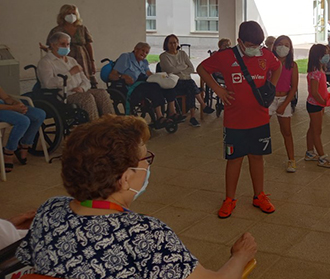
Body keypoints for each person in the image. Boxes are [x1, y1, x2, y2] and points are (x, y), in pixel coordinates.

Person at [15, 115, 258, 279]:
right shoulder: (145, 234)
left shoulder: (50, 209)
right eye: (145, 159)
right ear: (125, 178)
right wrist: (241, 256)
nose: (148, 166)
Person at [197, 21, 281, 218]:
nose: (254, 49)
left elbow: (277, 67)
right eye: (250, 46)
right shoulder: (226, 56)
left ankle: (259, 195)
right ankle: (229, 199)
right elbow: (202, 69)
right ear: (239, 42)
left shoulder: (265, 55)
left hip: (260, 118)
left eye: (257, 45)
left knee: (257, 157)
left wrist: (271, 87)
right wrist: (218, 89)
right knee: (234, 159)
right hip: (235, 121)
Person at [38, 32, 115, 121]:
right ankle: (94, 126)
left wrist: (82, 88)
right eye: (62, 44)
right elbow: (48, 84)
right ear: (53, 45)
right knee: (87, 98)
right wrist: (70, 73)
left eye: (68, 44)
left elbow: (86, 80)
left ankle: (112, 123)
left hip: (80, 91)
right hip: (64, 95)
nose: (66, 47)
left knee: (102, 93)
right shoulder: (46, 62)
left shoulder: (72, 60)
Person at [108, 42, 177, 128]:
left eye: (146, 52)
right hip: (131, 88)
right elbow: (111, 75)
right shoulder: (125, 57)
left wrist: (162, 79)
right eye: (142, 50)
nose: (144, 54)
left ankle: (172, 112)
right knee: (154, 87)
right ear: (136, 49)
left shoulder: (144, 62)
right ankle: (160, 117)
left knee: (168, 85)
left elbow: (149, 74)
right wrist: (122, 76)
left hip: (143, 85)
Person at [159, 34, 214, 127]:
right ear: (166, 44)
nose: (173, 45)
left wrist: (178, 70)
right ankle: (202, 106)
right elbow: (170, 70)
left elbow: (191, 68)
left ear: (178, 43)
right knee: (191, 84)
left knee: (190, 88)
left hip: (186, 81)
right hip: (174, 83)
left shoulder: (182, 54)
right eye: (170, 43)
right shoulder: (164, 56)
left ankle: (193, 117)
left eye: (175, 42)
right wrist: (184, 67)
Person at [42, 4, 98, 87]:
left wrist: (92, 61)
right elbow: (52, 47)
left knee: (84, 79)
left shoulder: (82, 29)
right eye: (68, 13)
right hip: (66, 58)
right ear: (63, 15)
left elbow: (88, 45)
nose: (71, 16)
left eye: (73, 13)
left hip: (82, 58)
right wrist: (45, 49)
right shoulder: (56, 30)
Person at [269, 35, 299, 173]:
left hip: (284, 99)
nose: (283, 47)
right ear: (275, 46)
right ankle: (257, 156)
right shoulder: (269, 62)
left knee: (286, 131)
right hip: (270, 99)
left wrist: (285, 104)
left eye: (287, 45)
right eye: (280, 44)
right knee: (261, 129)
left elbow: (294, 87)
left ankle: (291, 159)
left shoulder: (292, 65)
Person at [0, 86, 46, 173]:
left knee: (40, 114)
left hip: (6, 106)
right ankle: (9, 150)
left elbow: (5, 98)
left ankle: (24, 144)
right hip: (2, 109)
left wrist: (16, 103)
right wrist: (13, 108)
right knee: (23, 121)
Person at [304, 44, 330, 168]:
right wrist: (322, 102)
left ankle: (310, 152)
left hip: (317, 104)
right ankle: (322, 157)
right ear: (318, 56)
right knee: (317, 131)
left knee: (312, 128)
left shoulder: (319, 70)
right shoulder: (315, 73)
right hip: (315, 105)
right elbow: (314, 92)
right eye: (325, 54)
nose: (327, 56)